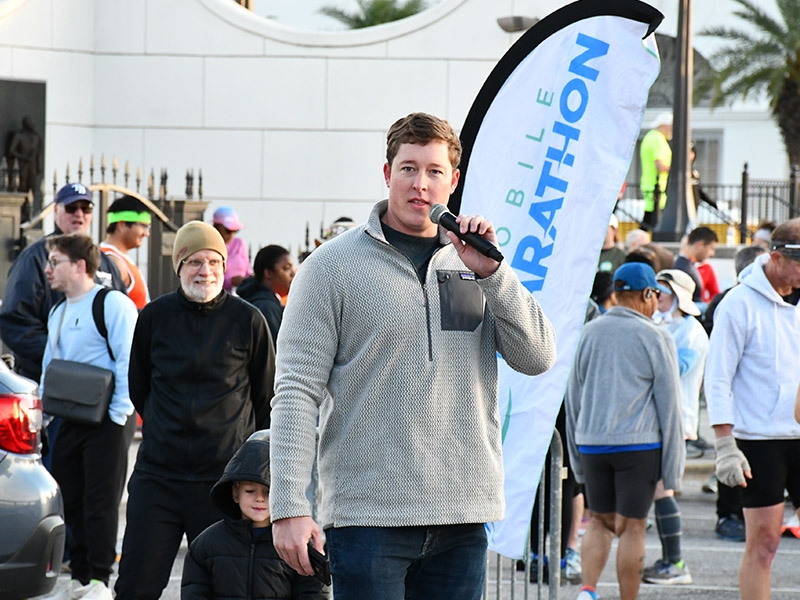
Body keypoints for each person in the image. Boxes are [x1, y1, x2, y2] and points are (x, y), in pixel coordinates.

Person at [269, 112, 557, 600]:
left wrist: (492, 274)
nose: (420, 184)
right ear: (387, 174)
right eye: (408, 168)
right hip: (367, 519)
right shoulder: (330, 268)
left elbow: (538, 356)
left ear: (453, 180)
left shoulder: (475, 264)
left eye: (434, 171)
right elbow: (296, 392)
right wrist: (289, 506)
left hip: (463, 516)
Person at [114, 221, 276, 600]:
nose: (206, 271)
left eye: (214, 262)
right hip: (158, 478)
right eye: (195, 262)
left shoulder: (248, 320)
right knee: (136, 585)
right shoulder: (154, 317)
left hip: (221, 483)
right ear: (179, 267)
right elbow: (139, 386)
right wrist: (164, 427)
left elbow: (265, 397)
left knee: (225, 590)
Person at [565, 262, 683, 600]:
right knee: (633, 526)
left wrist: (576, 457)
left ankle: (588, 591)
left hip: (591, 443)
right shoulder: (656, 336)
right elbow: (670, 407)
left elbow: (573, 397)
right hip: (638, 446)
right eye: (655, 294)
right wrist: (673, 470)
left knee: (600, 521)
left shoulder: (589, 332)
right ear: (647, 294)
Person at [704, 218, 800, 600]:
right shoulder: (738, 303)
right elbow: (717, 376)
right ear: (776, 258)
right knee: (764, 543)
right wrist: (724, 444)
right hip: (759, 437)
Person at [0, 182, 126, 472]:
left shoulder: (105, 263)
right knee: (57, 480)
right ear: (56, 211)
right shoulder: (36, 258)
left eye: (86, 207)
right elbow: (14, 320)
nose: (79, 214)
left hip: (101, 402)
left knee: (98, 490)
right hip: (55, 401)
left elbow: (124, 337)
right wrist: (64, 362)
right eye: (71, 207)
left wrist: (119, 410)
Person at [39, 234, 138, 600]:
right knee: (71, 498)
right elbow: (50, 365)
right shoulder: (58, 311)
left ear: (80, 265)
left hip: (108, 419)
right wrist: (45, 413)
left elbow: (129, 360)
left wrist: (118, 414)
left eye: (55, 261)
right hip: (69, 417)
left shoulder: (111, 303)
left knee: (101, 501)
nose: (48, 269)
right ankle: (81, 578)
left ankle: (100, 579)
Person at [181, 436, 329, 600]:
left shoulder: (295, 544)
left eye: (268, 492)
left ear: (282, 494)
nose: (259, 498)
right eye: (250, 491)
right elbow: (194, 593)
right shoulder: (206, 544)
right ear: (235, 493)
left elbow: (312, 594)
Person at [640, 269, 708, 586]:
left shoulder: (692, 331)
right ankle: (670, 560)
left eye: (662, 291)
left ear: (678, 296)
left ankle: (675, 562)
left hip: (676, 418)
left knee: (662, 488)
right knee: (657, 489)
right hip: (656, 418)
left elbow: (676, 368)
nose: (657, 296)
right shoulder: (661, 323)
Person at [701, 244, 767, 543]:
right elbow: (719, 362)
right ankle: (728, 516)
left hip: (762, 405)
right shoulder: (730, 302)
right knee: (733, 464)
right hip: (734, 399)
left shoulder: (776, 300)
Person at [100, 195, 152, 310]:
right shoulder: (113, 260)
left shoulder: (120, 258)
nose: (147, 233)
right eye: (143, 226)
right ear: (122, 225)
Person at [236, 245, 295, 345]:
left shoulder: (256, 300)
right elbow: (276, 349)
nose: (293, 274)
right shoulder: (266, 307)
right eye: (286, 268)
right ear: (268, 273)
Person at [639, 113, 672, 232]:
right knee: (653, 219)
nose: (672, 131)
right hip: (655, 186)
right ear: (664, 125)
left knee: (651, 219)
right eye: (671, 127)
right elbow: (660, 165)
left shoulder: (653, 137)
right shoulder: (656, 138)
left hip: (654, 185)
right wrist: (676, 169)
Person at [673, 226, 718, 305]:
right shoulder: (683, 268)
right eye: (711, 248)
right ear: (700, 244)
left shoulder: (687, 265)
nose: (712, 254)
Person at [212, 206, 252, 292]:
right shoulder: (209, 246)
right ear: (216, 227)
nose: (232, 234)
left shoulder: (239, 243)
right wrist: (230, 282)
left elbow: (248, 272)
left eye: (235, 231)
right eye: (228, 231)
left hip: (241, 293)